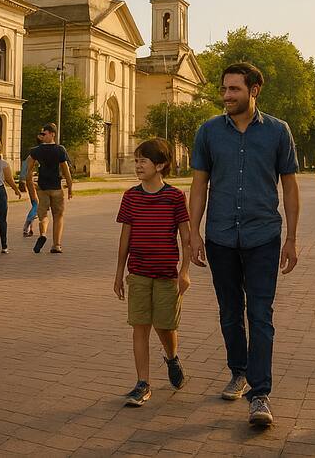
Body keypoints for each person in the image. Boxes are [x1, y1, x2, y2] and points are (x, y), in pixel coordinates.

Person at [189, 62, 300, 428]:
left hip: (263, 237)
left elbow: (290, 187)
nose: (226, 96)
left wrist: (293, 238)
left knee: (260, 315)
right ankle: (238, 371)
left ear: (254, 91)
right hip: (220, 236)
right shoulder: (208, 132)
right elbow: (199, 184)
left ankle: (260, 393)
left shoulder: (278, 132)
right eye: (224, 89)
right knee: (229, 312)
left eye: (234, 89)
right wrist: (193, 233)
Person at [113, 138, 204, 407]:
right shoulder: (130, 196)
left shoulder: (175, 196)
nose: (138, 165)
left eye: (144, 160)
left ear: (160, 165)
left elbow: (186, 238)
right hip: (138, 273)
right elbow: (124, 238)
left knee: (165, 326)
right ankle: (143, 383)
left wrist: (184, 272)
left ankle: (172, 358)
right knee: (140, 327)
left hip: (166, 275)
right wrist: (119, 274)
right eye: (137, 159)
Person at [24, 123, 74, 254]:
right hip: (56, 188)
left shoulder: (36, 151)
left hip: (42, 188)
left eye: (44, 133)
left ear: (52, 134)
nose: (42, 136)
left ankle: (44, 234)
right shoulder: (60, 150)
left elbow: (29, 169)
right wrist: (70, 187)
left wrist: (28, 182)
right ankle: (56, 245)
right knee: (58, 215)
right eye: (42, 134)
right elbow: (65, 170)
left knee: (43, 216)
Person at [19, 149, 38, 237]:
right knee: (36, 205)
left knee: (36, 205)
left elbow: (23, 168)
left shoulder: (30, 156)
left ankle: (30, 228)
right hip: (34, 181)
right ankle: (27, 226)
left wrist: (22, 180)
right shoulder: (33, 156)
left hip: (32, 181)